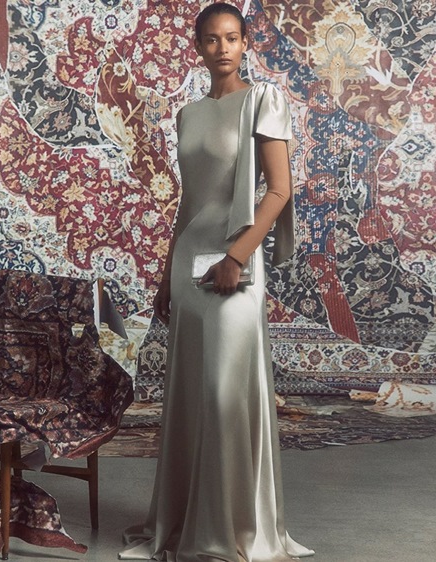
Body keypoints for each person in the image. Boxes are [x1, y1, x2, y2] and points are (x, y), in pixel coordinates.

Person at [119, 3, 314, 561]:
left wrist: (236, 258)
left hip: (235, 263)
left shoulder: (263, 100)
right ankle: (188, 523)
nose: (222, 48)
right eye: (211, 39)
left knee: (225, 395)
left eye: (231, 37)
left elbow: (279, 190)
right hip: (189, 263)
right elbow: (189, 203)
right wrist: (166, 278)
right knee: (191, 398)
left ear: (245, 42)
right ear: (198, 47)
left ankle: (230, 533)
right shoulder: (189, 114)